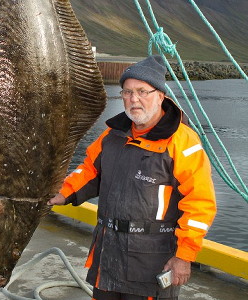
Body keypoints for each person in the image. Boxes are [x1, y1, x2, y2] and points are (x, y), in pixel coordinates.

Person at [48, 55, 217, 300]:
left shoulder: (183, 141)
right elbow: (90, 171)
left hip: (152, 260)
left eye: (142, 91)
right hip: (108, 253)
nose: (133, 99)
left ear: (160, 95)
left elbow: (200, 203)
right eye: (126, 92)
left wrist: (184, 256)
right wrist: (61, 193)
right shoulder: (111, 135)